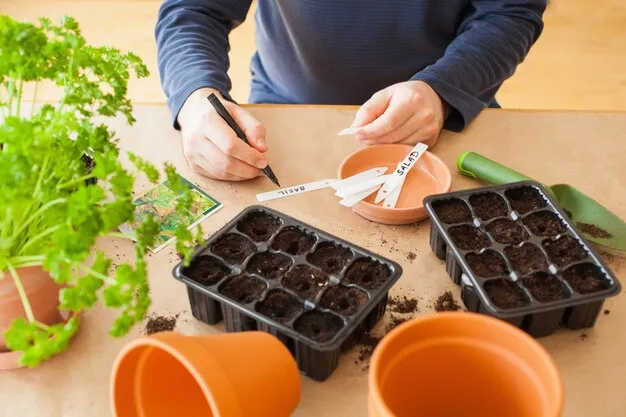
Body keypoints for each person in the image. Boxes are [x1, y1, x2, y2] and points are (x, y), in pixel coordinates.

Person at [155, 1, 546, 181]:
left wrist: (442, 91)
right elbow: (193, 10)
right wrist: (194, 98)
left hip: (445, 112)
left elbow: (509, 13)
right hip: (284, 117)